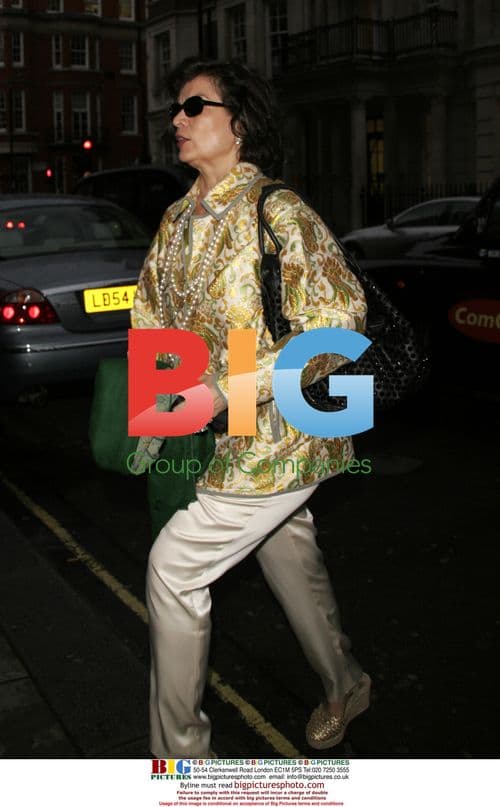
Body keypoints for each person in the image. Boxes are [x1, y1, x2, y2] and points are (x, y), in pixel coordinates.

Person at [131, 57, 370, 759]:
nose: (177, 120)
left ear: (239, 122)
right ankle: (346, 680)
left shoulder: (279, 210)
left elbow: (340, 321)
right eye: (175, 110)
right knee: (288, 553)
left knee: (174, 566)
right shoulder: (176, 220)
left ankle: (182, 762)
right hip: (224, 432)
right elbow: (153, 317)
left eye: (194, 107)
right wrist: (159, 405)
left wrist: (228, 388)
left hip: (286, 431)